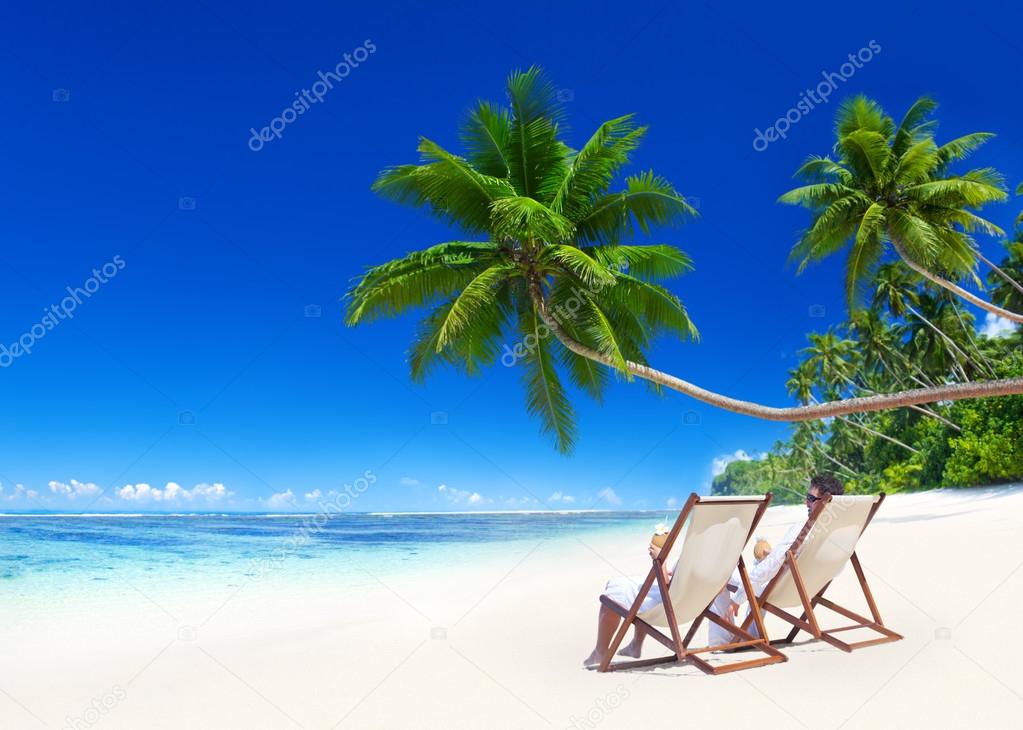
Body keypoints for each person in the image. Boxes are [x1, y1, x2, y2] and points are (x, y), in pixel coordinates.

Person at [708, 473, 845, 647]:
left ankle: (720, 642)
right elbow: (837, 568)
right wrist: (780, 560)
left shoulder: (805, 527)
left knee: (719, 573)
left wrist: (737, 599)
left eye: (811, 498)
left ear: (825, 501)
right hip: (805, 589)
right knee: (761, 572)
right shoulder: (838, 531)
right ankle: (751, 635)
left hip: (779, 589)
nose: (806, 502)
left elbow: (767, 570)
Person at [582, 526, 674, 668]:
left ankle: (600, 652)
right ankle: (635, 645)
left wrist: (660, 559)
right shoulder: (713, 558)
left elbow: (665, 589)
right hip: (687, 603)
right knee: (639, 586)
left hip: (669, 603)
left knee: (614, 592)